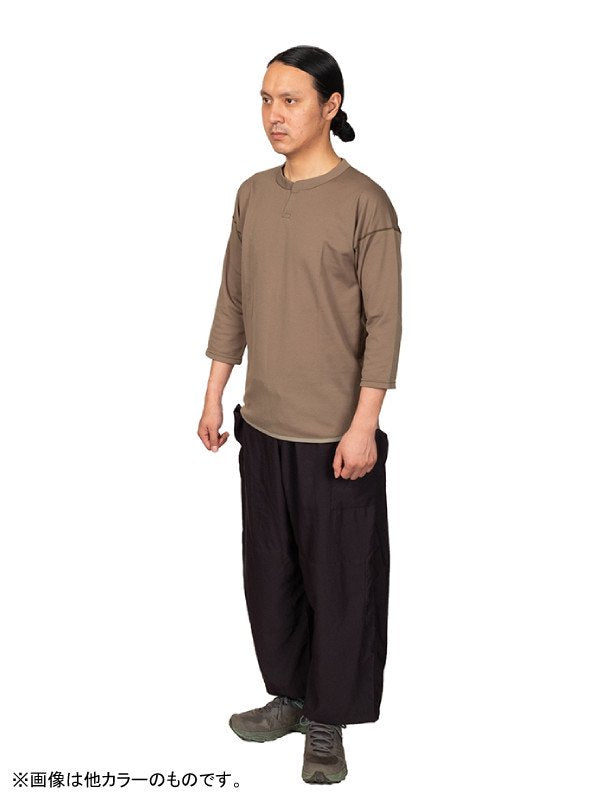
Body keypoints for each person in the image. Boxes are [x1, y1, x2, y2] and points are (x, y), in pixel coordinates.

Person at [197, 44, 402, 785]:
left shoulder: (365, 204)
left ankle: (329, 722)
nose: (273, 115)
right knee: (271, 573)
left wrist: (363, 424)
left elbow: (384, 324)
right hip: (263, 425)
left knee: (341, 583)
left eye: (290, 100)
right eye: (265, 99)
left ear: (330, 106)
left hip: (334, 435)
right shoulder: (253, 194)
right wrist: (216, 391)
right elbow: (234, 296)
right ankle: (289, 696)